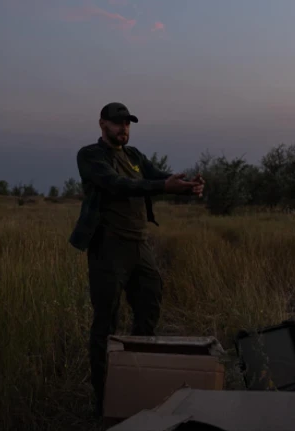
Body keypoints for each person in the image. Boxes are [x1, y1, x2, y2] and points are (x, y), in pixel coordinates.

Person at [68, 102, 204, 417]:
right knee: (106, 322)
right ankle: (103, 400)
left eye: (127, 123)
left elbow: (157, 177)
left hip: (139, 246)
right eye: (117, 123)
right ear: (102, 124)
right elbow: (117, 185)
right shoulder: (91, 155)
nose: (123, 128)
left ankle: (136, 381)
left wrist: (186, 187)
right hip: (108, 248)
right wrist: (161, 185)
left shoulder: (135, 156)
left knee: (149, 308)